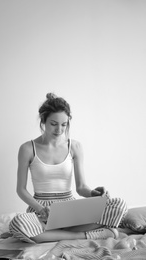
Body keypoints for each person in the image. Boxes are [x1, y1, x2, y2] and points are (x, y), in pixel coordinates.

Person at [9, 93, 128, 243]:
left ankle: (52, 233)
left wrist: (94, 194)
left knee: (119, 205)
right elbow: (21, 189)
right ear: (43, 120)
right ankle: (85, 234)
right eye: (54, 124)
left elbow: (81, 187)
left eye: (64, 124)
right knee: (18, 223)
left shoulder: (75, 146)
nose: (59, 129)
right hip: (41, 210)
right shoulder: (27, 148)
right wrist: (40, 209)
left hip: (70, 208)